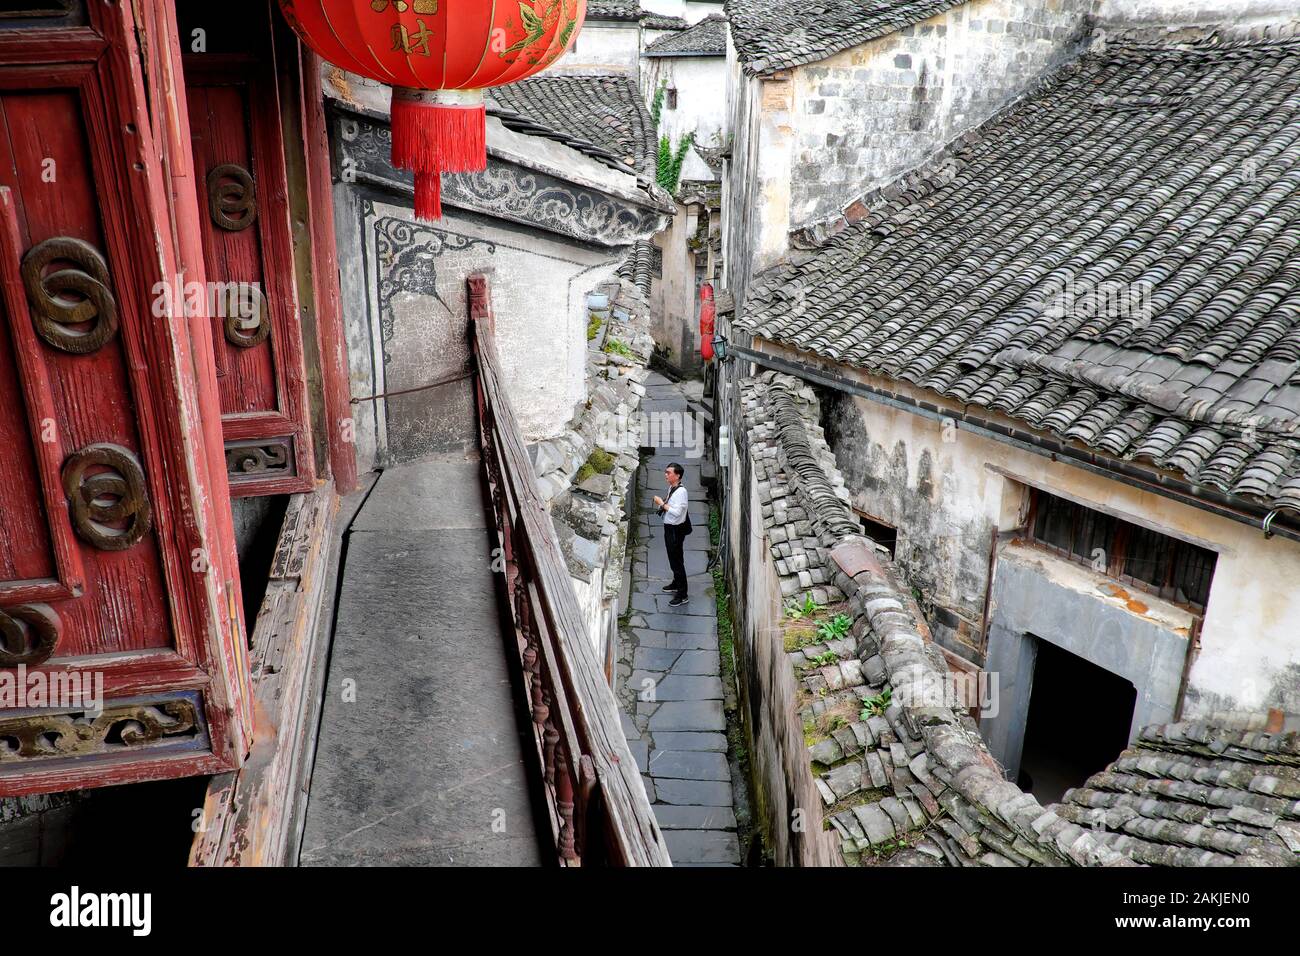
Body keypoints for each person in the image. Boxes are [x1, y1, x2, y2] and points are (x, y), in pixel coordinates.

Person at [653, 462, 690, 607]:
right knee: (673, 558)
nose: (666, 475)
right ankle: (676, 583)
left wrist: (661, 504)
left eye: (669, 472)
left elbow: (677, 512)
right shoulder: (672, 488)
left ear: (677, 475)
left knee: (677, 562)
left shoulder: (682, 492)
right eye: (666, 472)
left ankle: (682, 594)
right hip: (670, 528)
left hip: (675, 530)